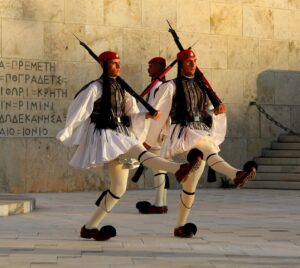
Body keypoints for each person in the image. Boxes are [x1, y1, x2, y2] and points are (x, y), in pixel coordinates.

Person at [56, 51, 199, 241]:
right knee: (138, 150)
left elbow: (132, 113)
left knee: (118, 188)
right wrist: (68, 132)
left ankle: (89, 227)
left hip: (121, 132)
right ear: (104, 65)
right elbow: (78, 110)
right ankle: (179, 169)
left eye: (118, 63)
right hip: (106, 136)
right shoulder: (94, 88)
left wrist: (146, 116)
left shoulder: (122, 88)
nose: (118, 66)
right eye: (114, 63)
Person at [144, 49, 257, 238]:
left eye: (195, 61)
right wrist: (149, 141)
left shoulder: (201, 87)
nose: (193, 64)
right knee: (206, 146)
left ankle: (180, 226)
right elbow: (159, 114)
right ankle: (235, 174)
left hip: (199, 132)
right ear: (181, 65)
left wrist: (218, 110)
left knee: (190, 185)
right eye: (189, 61)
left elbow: (209, 111)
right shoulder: (170, 86)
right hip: (181, 134)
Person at [135, 57, 169, 214]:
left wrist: (152, 136)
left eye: (151, 66)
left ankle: (159, 204)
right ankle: (161, 202)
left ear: (160, 67)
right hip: (152, 131)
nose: (148, 69)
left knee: (159, 167)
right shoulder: (154, 87)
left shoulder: (161, 87)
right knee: (159, 167)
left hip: (156, 132)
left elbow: (157, 112)